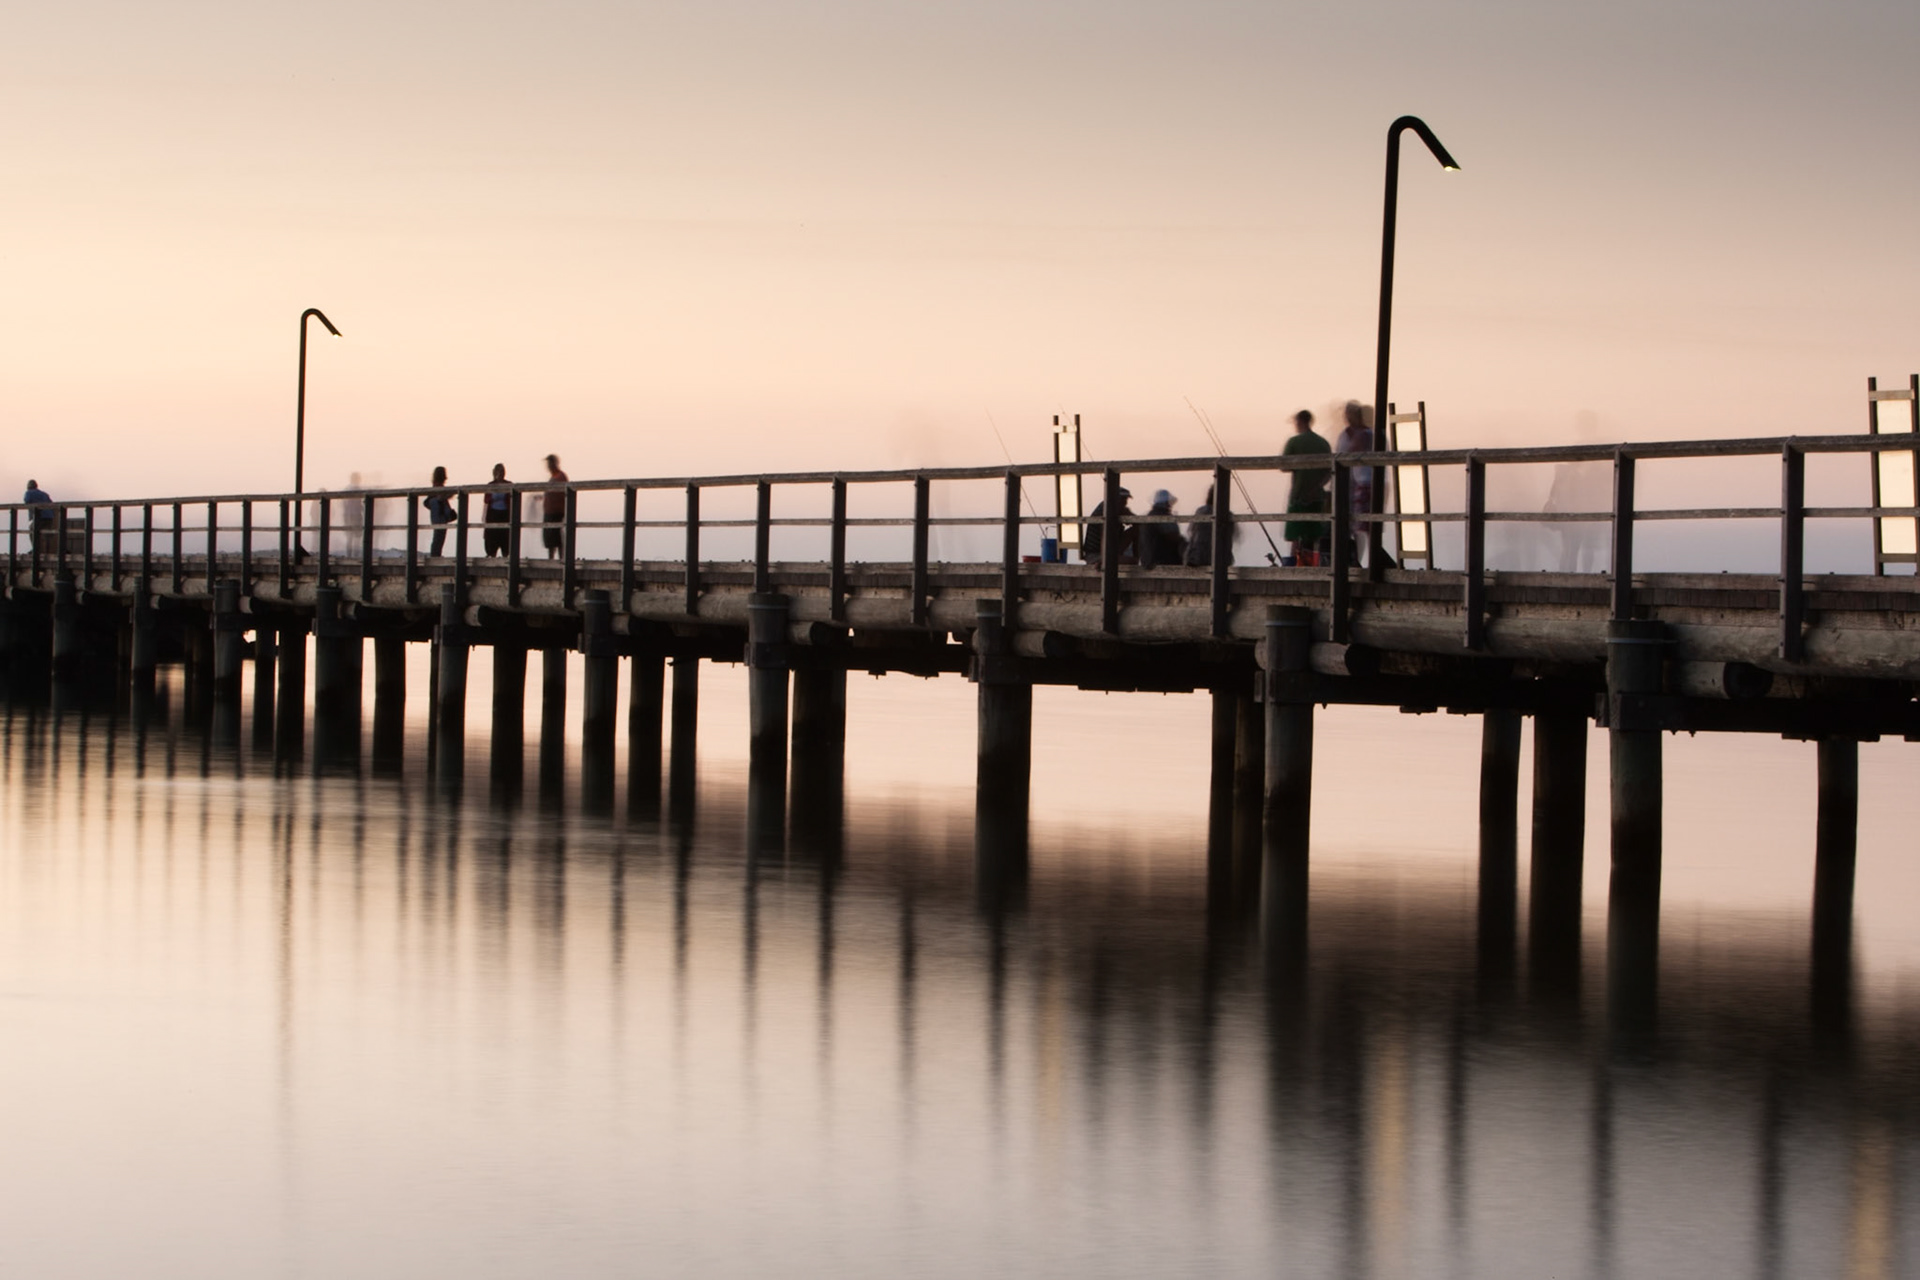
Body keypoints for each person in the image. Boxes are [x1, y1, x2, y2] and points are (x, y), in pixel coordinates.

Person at [1335, 400, 1394, 569]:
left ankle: (1376, 559)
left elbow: (1348, 453)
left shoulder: (1364, 434)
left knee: (1365, 525)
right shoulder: (1364, 434)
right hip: (1364, 483)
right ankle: (1365, 559)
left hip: (1367, 483)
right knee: (1361, 525)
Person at [1282, 410, 1331, 565]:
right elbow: (1330, 471)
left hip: (1298, 495)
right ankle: (1314, 565)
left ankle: (1294, 566)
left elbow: (1283, 465)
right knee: (1315, 533)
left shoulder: (1294, 442)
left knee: (1296, 535)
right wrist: (1317, 486)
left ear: (1300, 422)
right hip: (1317, 496)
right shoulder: (1323, 443)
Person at [1081, 487, 1136, 567]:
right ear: (1116, 499)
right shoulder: (1107, 511)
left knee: (1135, 530)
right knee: (1133, 562)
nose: (1125, 503)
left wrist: (1129, 515)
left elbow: (1137, 523)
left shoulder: (1110, 508)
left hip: (1102, 554)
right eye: (1123, 500)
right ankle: (1106, 560)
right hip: (1096, 555)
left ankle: (1114, 557)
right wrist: (1104, 560)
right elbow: (1105, 536)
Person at [1184, 484, 1234, 568]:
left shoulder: (1200, 511)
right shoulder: (1227, 514)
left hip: (1195, 558)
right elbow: (1228, 541)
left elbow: (1191, 532)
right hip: (1218, 559)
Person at [1137, 489, 1187, 568]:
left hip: (1148, 560)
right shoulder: (1161, 516)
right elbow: (1172, 536)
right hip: (1160, 560)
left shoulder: (1150, 515)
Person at [423, 466, 455, 557]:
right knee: (439, 536)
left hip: (437, 515)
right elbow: (432, 500)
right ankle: (435, 555)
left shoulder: (435, 487)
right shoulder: (438, 488)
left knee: (438, 536)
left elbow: (427, 502)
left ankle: (436, 554)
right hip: (440, 515)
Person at [541, 454, 568, 560]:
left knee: (556, 537)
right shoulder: (553, 477)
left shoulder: (560, 477)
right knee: (550, 537)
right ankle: (551, 559)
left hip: (556, 511)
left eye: (549, 463)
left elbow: (561, 493)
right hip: (550, 511)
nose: (547, 466)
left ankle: (561, 559)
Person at [483, 463, 512, 557]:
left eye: (502, 471)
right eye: (499, 471)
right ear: (495, 472)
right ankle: (491, 555)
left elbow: (512, 499)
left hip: (505, 514)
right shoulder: (490, 485)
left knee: (505, 540)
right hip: (493, 514)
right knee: (492, 540)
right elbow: (486, 501)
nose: (501, 473)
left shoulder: (508, 485)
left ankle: (506, 557)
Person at [23, 480, 53, 552]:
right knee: (46, 534)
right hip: (50, 516)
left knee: (32, 530)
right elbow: (51, 503)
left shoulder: (29, 493)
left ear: (28, 487)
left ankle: (35, 549)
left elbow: (27, 501)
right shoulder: (44, 494)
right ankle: (47, 551)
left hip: (39, 516)